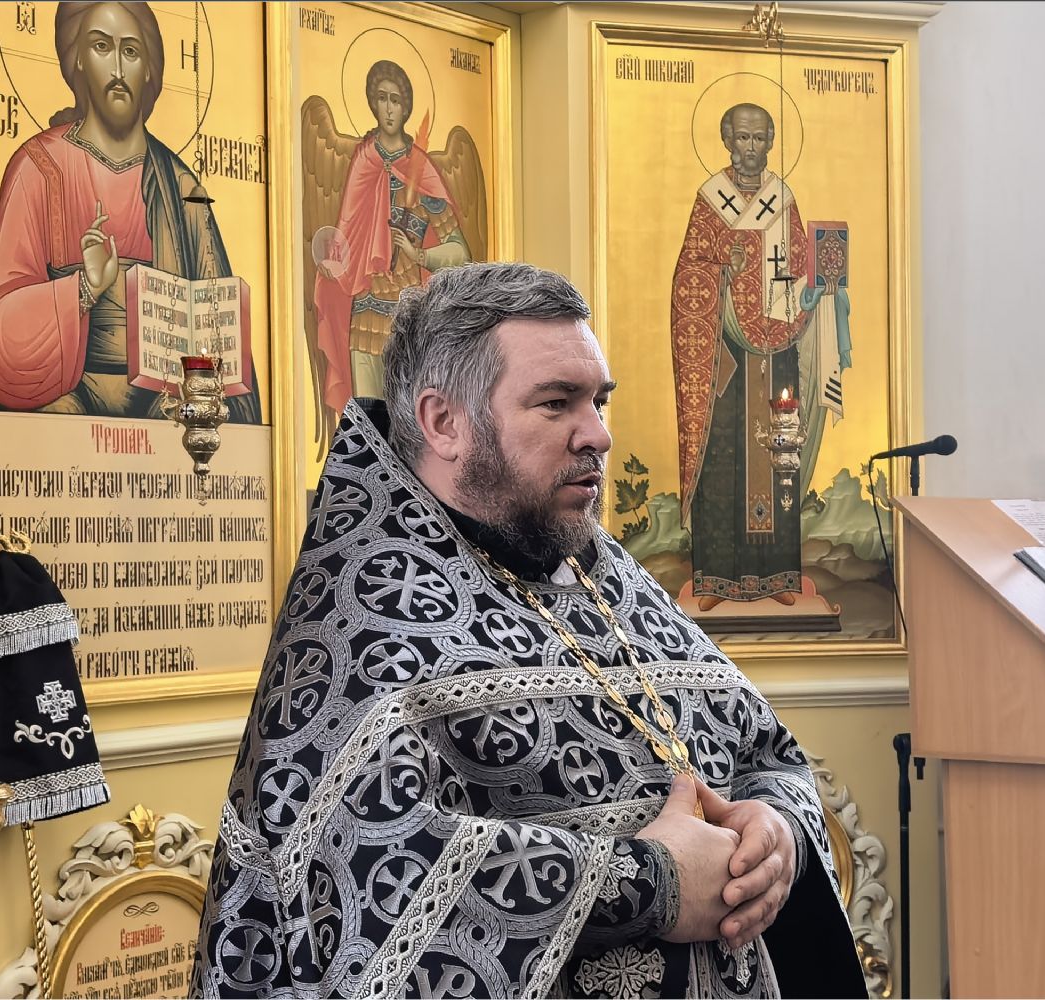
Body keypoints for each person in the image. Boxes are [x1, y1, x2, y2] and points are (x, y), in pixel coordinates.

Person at [194, 262, 864, 998]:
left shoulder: (599, 571)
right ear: (443, 422)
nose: (598, 434)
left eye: (599, 401)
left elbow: (766, 754)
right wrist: (649, 882)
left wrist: (775, 832)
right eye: (556, 403)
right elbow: (368, 884)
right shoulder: (364, 619)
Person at [0, 1, 260, 422]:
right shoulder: (38, 167)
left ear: (149, 70)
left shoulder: (181, 187)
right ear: (78, 60)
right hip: (65, 390)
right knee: (56, 424)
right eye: (101, 47)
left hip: (163, 400)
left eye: (131, 51)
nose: (119, 69)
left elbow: (219, 334)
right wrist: (84, 288)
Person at [671, 103, 850, 612]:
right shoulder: (711, 200)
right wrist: (720, 268)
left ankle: (778, 576)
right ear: (727, 140)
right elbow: (688, 272)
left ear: (770, 143)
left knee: (779, 457)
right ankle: (714, 580)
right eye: (742, 138)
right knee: (722, 458)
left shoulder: (782, 199)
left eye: (759, 139)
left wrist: (821, 287)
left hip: (778, 352)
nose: (750, 148)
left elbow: (800, 267)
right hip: (725, 357)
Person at [313, 59, 471, 408]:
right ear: (373, 103)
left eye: (395, 100)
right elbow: (347, 235)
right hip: (365, 313)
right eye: (382, 98)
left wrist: (420, 255)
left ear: (405, 108)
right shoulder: (362, 161)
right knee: (367, 421)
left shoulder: (420, 170)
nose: (388, 108)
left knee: (407, 421)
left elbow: (460, 253)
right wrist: (332, 262)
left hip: (407, 319)